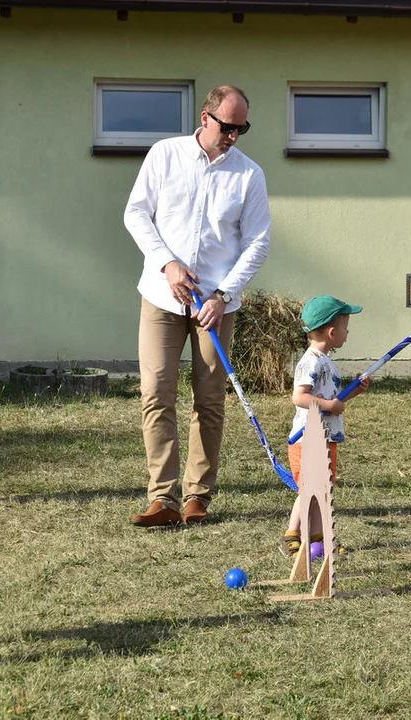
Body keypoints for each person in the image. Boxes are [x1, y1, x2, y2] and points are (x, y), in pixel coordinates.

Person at [124, 85, 272, 527]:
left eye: (241, 128)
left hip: (215, 307)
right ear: (206, 117)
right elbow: (136, 213)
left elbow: (258, 241)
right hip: (161, 296)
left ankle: (197, 499)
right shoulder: (164, 155)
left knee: (209, 400)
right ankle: (162, 500)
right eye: (228, 126)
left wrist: (223, 294)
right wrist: (168, 264)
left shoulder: (249, 175)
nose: (234, 136)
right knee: (156, 393)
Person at [279, 295, 370, 558]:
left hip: (326, 438)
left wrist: (353, 393)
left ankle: (320, 538)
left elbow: (333, 400)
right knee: (310, 489)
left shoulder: (326, 361)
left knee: (323, 490)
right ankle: (292, 535)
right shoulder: (311, 361)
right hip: (308, 440)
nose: (347, 333)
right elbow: (300, 397)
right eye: (345, 327)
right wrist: (328, 407)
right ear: (331, 332)